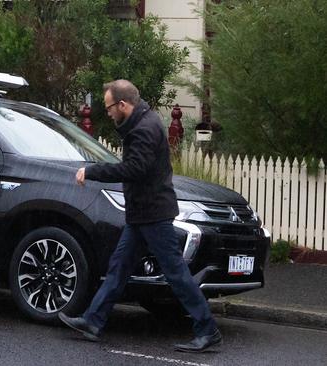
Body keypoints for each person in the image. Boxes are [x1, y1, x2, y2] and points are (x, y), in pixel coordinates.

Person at [58, 80, 222, 353]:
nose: (108, 112)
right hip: (143, 214)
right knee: (119, 267)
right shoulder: (143, 122)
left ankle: (207, 329)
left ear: (123, 105)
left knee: (176, 274)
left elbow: (134, 169)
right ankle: (92, 321)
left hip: (153, 215)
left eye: (110, 107)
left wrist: (93, 171)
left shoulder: (143, 130)